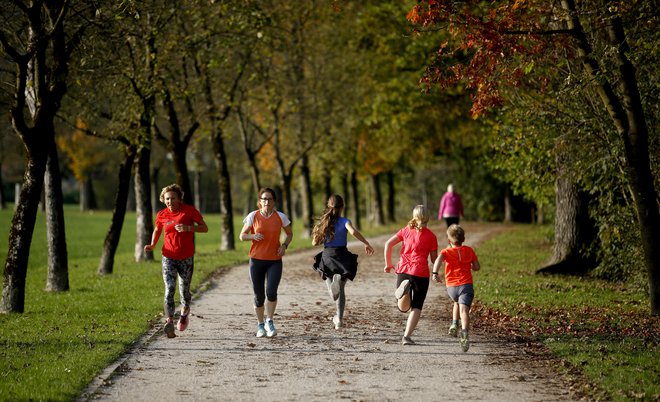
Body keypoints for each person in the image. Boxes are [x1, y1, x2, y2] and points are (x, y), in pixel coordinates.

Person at [144, 184, 208, 339]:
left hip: (186, 257)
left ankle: (184, 313)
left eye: (173, 198)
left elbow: (204, 228)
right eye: (167, 199)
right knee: (170, 288)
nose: (170, 201)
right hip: (168, 256)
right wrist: (152, 245)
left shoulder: (189, 211)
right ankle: (170, 321)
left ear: (179, 199)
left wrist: (188, 228)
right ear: (163, 200)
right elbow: (157, 230)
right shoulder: (161, 214)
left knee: (184, 291)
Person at [311, 194, 374, 330]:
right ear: (342, 207)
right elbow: (353, 232)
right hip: (343, 256)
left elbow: (314, 242)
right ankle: (339, 319)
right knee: (341, 289)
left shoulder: (324, 222)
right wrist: (366, 243)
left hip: (328, 256)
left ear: (328, 206)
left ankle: (334, 288)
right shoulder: (345, 221)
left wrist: (319, 232)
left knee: (332, 290)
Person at [239, 187, 293, 338]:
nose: (266, 201)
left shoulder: (280, 217)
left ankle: (270, 321)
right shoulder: (253, 216)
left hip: (274, 261)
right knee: (258, 296)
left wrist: (284, 245)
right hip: (256, 260)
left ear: (274, 201)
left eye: (269, 199)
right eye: (264, 199)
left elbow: (289, 234)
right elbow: (242, 236)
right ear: (259, 201)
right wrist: (253, 236)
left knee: (271, 292)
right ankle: (260, 325)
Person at [383, 205, 438, 345]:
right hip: (420, 273)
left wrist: (388, 264)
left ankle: (406, 292)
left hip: (403, 270)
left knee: (402, 308)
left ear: (414, 216)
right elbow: (433, 259)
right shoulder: (431, 236)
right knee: (417, 306)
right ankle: (406, 337)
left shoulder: (406, 231)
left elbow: (388, 244)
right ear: (428, 217)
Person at [432, 224, 480, 352]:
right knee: (464, 311)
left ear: (449, 241)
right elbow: (477, 267)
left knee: (456, 302)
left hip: (452, 287)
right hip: (466, 285)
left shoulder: (446, 252)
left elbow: (438, 260)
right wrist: (471, 266)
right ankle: (464, 333)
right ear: (463, 239)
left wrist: (435, 273)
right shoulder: (469, 250)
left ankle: (454, 323)